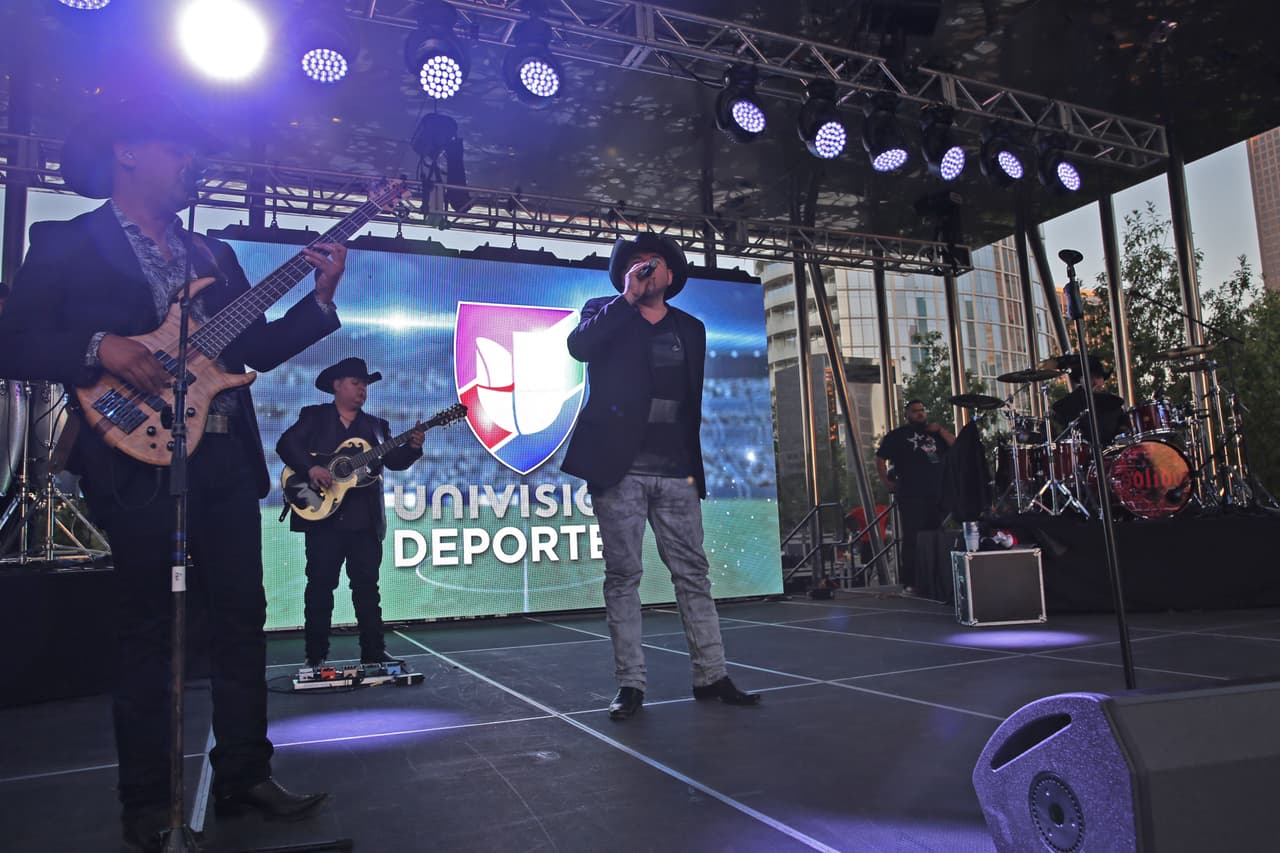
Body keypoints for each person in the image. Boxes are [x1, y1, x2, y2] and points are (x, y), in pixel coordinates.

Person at [0, 96, 345, 851]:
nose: (189, 161)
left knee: (241, 618)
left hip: (221, 453)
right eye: (175, 148)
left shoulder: (213, 256)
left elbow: (246, 349)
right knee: (148, 631)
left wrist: (319, 301)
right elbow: (13, 338)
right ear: (127, 150)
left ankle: (246, 772)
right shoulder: (65, 240)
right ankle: (148, 801)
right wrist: (100, 346)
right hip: (132, 458)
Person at [560, 233, 759, 720]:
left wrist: (694, 468)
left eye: (654, 263)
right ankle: (631, 684)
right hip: (618, 469)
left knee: (693, 573)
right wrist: (626, 299)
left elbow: (690, 401)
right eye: (635, 264)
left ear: (671, 274)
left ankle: (712, 675)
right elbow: (579, 347)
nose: (646, 269)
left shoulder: (690, 328)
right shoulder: (603, 311)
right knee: (623, 576)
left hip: (676, 472)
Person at [276, 357, 424, 668]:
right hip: (323, 518)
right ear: (337, 385)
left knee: (367, 589)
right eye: (356, 383)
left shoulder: (377, 426)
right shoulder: (313, 417)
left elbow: (394, 462)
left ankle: (373, 650)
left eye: (365, 385)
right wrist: (312, 467)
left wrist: (411, 447)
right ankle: (315, 656)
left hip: (364, 522)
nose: (362, 390)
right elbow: (286, 444)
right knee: (319, 587)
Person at [875, 400, 955, 594]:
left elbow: (956, 446)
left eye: (922, 410)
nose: (920, 414)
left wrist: (941, 430)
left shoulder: (935, 434)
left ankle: (936, 579)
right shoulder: (898, 436)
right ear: (907, 415)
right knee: (912, 538)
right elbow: (880, 458)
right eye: (915, 411)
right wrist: (887, 481)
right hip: (911, 494)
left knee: (937, 536)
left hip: (936, 494)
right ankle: (910, 581)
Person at [1050, 355, 1127, 446]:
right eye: (1090, 377)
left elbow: (1125, 431)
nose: (1096, 382)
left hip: (1113, 455)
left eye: (1098, 377)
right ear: (1080, 379)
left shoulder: (1114, 403)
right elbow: (1059, 438)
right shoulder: (1065, 406)